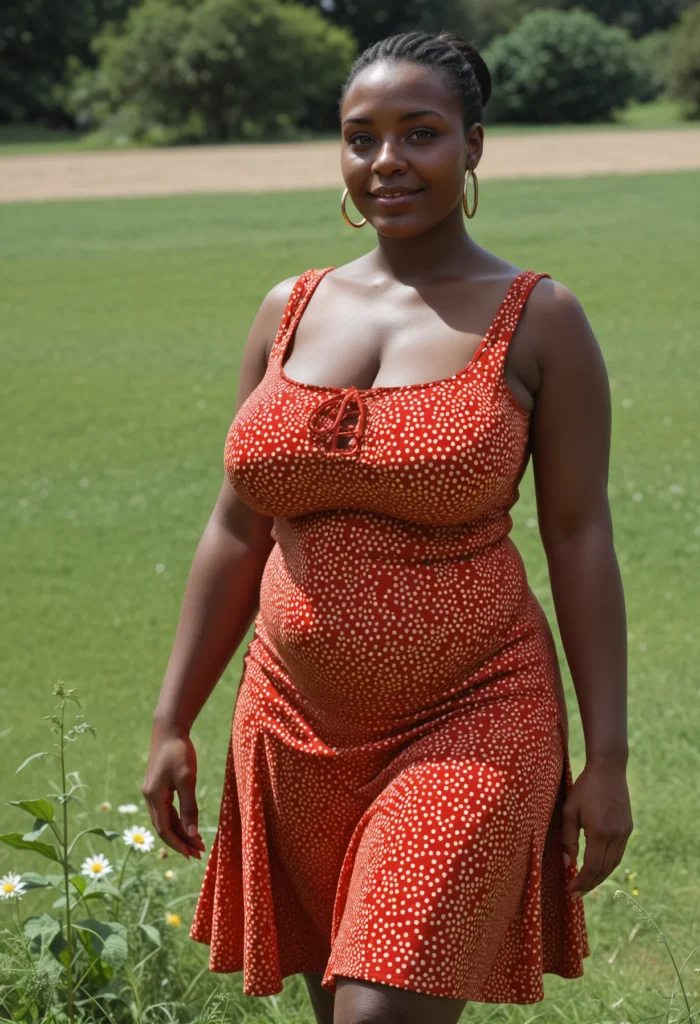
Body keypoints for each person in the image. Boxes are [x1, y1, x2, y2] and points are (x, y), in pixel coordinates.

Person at [142, 28, 633, 1024]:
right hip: (292, 723)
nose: (386, 162)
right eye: (360, 137)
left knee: (379, 1015)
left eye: (420, 133)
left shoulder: (539, 320)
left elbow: (580, 539)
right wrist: (171, 717)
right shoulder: (290, 308)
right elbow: (239, 527)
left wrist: (608, 757)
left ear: (474, 145)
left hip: (474, 712)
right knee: (341, 1010)